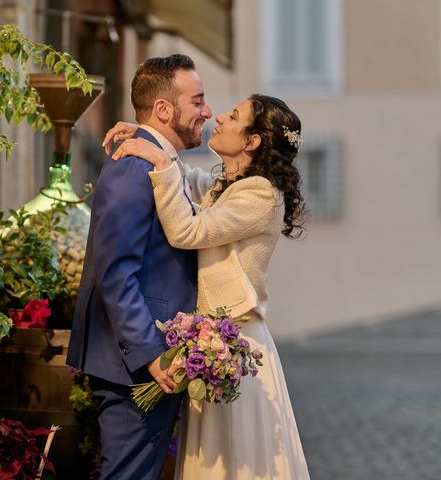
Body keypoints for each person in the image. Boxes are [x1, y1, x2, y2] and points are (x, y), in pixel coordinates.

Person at [107, 94, 311, 479]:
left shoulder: (261, 195)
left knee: (235, 464)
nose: (219, 116)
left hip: (237, 350)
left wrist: (162, 162)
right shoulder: (233, 185)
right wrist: (150, 138)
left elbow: (188, 229)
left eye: (234, 116)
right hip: (216, 345)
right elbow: (188, 181)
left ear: (252, 141)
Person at [66, 54, 212, 480]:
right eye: (198, 100)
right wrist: (151, 355)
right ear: (163, 109)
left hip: (149, 360)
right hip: (135, 365)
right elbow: (115, 272)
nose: (207, 111)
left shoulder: (158, 162)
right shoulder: (133, 169)